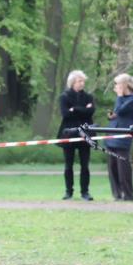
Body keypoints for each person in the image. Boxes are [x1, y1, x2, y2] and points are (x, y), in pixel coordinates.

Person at [104, 74, 133, 201]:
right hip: (112, 134)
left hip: (123, 136)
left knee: (123, 167)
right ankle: (116, 194)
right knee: (112, 167)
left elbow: (120, 111)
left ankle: (128, 195)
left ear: (124, 85)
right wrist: (111, 115)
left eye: (117, 84)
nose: (115, 87)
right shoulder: (122, 98)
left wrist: (119, 97)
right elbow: (115, 113)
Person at [57, 70, 96, 201]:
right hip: (69, 133)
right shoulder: (64, 96)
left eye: (83, 81)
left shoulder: (89, 97)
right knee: (69, 165)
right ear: (73, 82)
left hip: (85, 133)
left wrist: (75, 109)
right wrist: (83, 109)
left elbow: (90, 112)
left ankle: (85, 192)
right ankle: (69, 192)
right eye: (80, 81)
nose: (82, 83)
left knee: (85, 165)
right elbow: (66, 114)